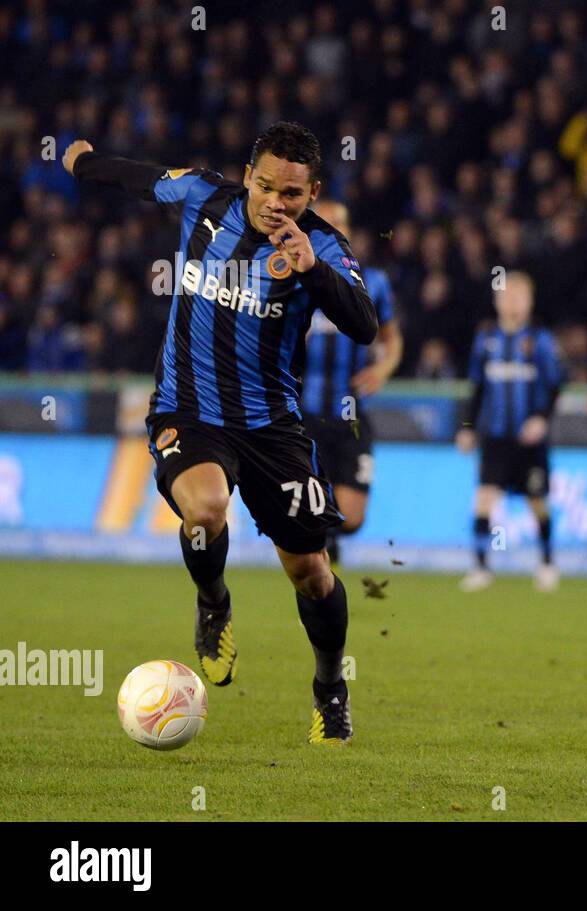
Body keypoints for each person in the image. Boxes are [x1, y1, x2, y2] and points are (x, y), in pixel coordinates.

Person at [64, 122, 377, 744]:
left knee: (312, 572)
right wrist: (84, 163)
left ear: (311, 191)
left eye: (291, 194)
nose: (275, 204)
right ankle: (214, 602)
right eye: (265, 186)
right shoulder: (203, 198)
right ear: (248, 174)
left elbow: (365, 324)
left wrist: (313, 270)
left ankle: (328, 689)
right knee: (205, 510)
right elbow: (141, 178)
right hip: (189, 408)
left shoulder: (324, 246)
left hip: (271, 428)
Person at [301, 199, 403, 566]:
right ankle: (318, 573)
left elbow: (392, 338)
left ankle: (328, 540)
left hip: (352, 415)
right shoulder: (290, 278)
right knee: (309, 509)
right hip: (307, 414)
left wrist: (383, 369)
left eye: (337, 224)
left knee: (352, 516)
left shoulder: (372, 282)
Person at [456, 271, 565, 592]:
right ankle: (480, 566)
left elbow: (557, 385)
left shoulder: (540, 340)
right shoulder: (486, 339)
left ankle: (546, 562)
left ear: (529, 302)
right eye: (507, 297)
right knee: (484, 498)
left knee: (536, 501)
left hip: (529, 440)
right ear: (497, 301)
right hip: (495, 437)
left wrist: (541, 419)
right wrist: (467, 428)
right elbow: (476, 389)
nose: (513, 303)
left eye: (519, 297)